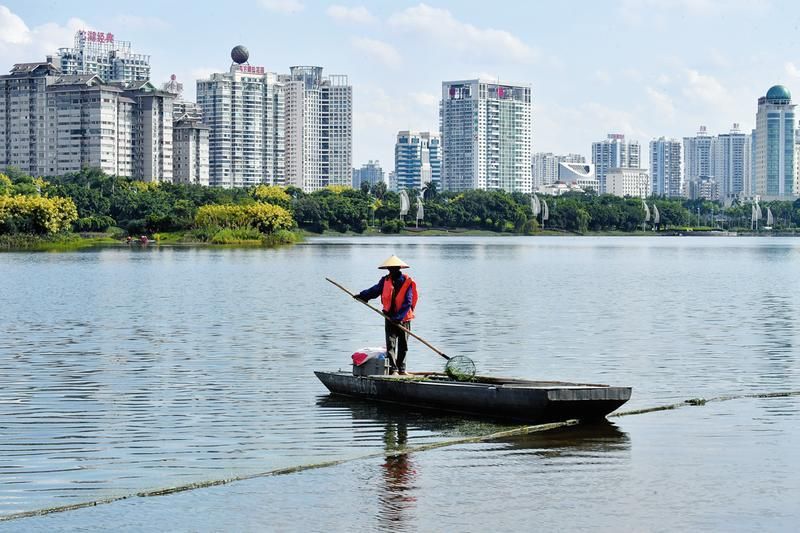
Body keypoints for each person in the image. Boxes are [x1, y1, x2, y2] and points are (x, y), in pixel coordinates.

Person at [355, 255, 418, 375]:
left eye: (394, 268)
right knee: (390, 345)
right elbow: (374, 290)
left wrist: (398, 318)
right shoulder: (385, 280)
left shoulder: (407, 281)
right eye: (390, 268)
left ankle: (402, 369)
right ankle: (393, 369)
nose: (392, 270)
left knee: (403, 346)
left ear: (399, 268)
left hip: (403, 318)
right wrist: (362, 295)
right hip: (389, 318)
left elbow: (408, 302)